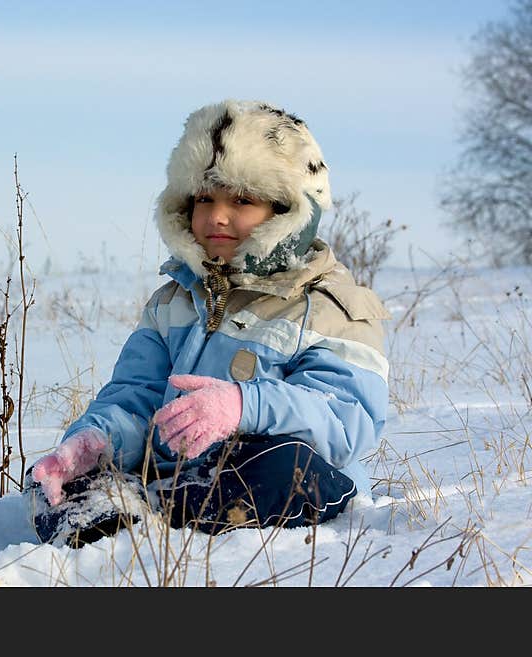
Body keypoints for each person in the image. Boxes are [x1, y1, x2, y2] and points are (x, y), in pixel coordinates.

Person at [25, 99, 391, 548]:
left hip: (286, 476)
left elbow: (346, 419)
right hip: (175, 476)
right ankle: (116, 531)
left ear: (288, 212)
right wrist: (97, 439)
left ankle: (173, 516)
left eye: (242, 199)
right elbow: (136, 395)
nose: (217, 216)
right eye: (204, 198)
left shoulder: (333, 306)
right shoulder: (173, 301)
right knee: (54, 479)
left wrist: (243, 406)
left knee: (280, 465)